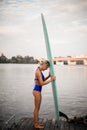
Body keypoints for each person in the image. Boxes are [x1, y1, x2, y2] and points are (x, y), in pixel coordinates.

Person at [33, 59, 56, 128]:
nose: (46, 69)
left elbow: (42, 80)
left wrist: (48, 76)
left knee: (37, 108)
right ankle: (36, 124)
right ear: (44, 65)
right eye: (46, 67)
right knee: (36, 109)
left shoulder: (39, 71)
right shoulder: (38, 72)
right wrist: (51, 80)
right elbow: (42, 83)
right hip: (37, 91)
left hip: (37, 91)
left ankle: (37, 122)